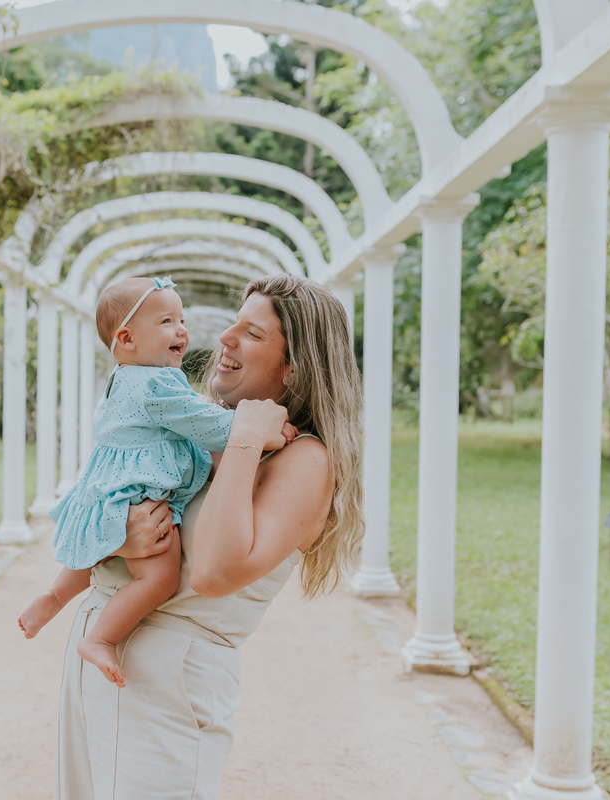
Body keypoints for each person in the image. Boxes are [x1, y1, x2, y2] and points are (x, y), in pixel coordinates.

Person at [56, 273, 365, 799]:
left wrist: (245, 437)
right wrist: (122, 537)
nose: (223, 337)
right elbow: (95, 497)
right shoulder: (195, 431)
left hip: (168, 682)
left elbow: (218, 571)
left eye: (253, 333)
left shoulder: (306, 460)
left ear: (295, 368)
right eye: (233, 324)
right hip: (98, 662)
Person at [18, 276, 294, 687]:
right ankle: (102, 638)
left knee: (95, 548)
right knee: (158, 577)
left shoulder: (121, 379)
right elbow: (207, 424)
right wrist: (261, 429)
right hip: (139, 491)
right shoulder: (156, 384)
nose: (183, 330)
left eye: (181, 319)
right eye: (167, 321)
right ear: (126, 338)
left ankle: (55, 595)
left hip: (107, 487)